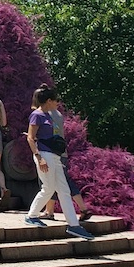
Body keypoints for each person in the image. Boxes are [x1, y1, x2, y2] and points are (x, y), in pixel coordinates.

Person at [24, 84, 94, 240]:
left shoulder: (49, 115)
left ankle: (74, 225)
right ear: (49, 101)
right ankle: (32, 215)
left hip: (55, 156)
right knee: (48, 188)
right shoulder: (37, 115)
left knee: (63, 190)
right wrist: (39, 157)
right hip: (44, 155)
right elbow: (30, 138)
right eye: (56, 101)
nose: (57, 104)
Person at [36, 95, 93, 223]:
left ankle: (83, 208)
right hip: (62, 152)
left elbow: (48, 133)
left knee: (53, 182)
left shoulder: (46, 115)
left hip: (51, 152)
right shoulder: (58, 115)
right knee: (56, 182)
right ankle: (49, 211)